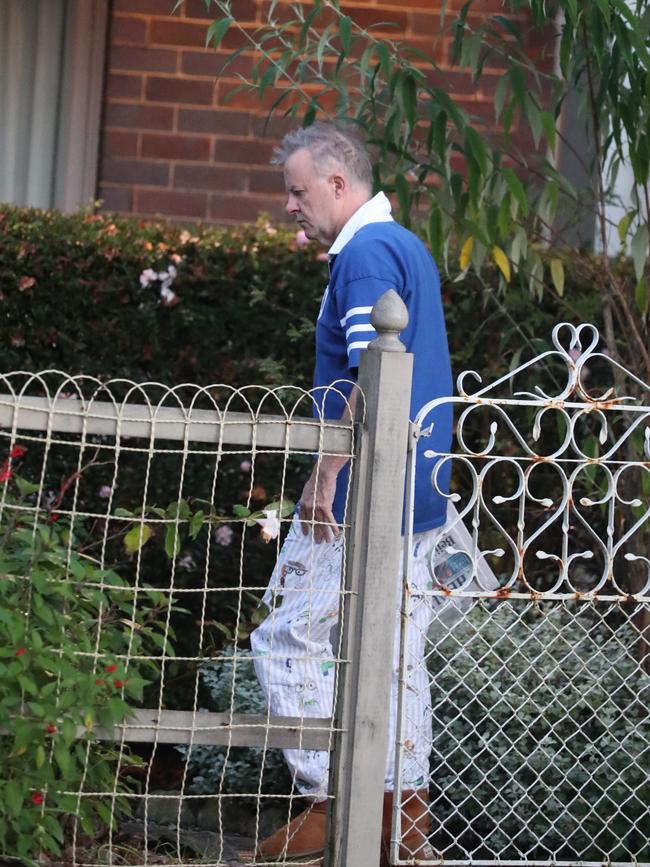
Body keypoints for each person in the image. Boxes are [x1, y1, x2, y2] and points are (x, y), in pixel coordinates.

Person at [250, 122, 452, 864]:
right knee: (396, 654)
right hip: (417, 490)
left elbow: (374, 373)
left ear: (339, 184)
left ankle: (335, 800)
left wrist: (324, 476)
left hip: (360, 494)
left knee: (286, 636)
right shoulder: (404, 246)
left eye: (298, 191)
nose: (290, 206)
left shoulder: (365, 256)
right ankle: (403, 822)